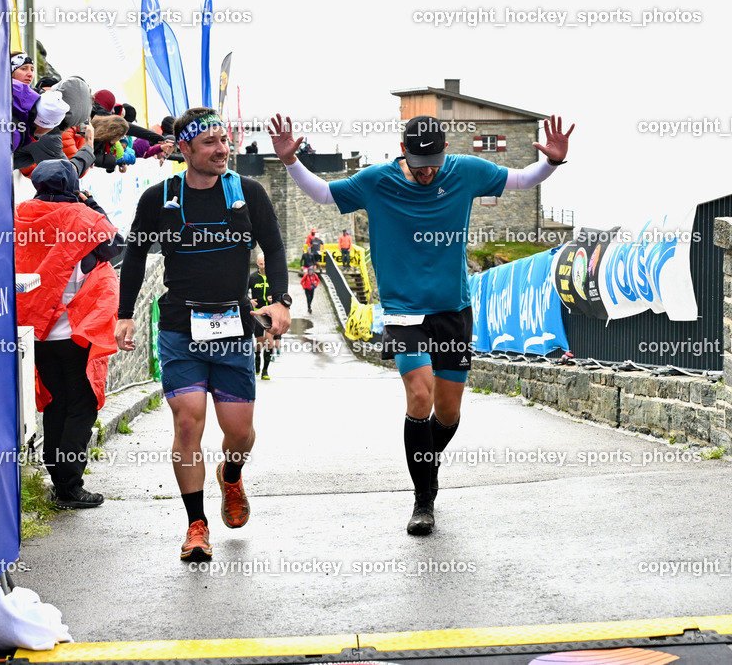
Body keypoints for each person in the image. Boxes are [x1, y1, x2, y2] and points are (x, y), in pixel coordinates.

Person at [270, 111, 573, 535]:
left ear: (446, 151)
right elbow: (322, 193)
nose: (427, 172)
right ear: (402, 152)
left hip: (452, 308)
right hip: (403, 310)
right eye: (418, 164)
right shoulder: (377, 181)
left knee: (448, 414)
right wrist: (290, 161)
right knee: (419, 394)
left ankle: (426, 462)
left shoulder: (465, 172)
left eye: (433, 164)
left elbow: (521, 180)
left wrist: (552, 163)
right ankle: (423, 500)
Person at [116, 106, 290, 561]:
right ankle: (196, 525)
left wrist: (281, 301)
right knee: (188, 421)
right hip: (179, 325)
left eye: (224, 140)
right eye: (210, 142)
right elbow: (134, 257)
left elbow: (272, 246)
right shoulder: (160, 198)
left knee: (240, 433)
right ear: (185, 149)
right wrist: (125, 313)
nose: (222, 149)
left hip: (233, 326)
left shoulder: (247, 193)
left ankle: (230, 476)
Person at [15, 160, 123, 508]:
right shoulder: (82, 219)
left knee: (56, 404)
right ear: (72, 185)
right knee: (81, 407)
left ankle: (59, 479)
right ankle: (69, 487)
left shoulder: (20, 215)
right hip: (75, 333)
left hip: (36, 332)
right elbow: (115, 245)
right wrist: (89, 203)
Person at [248, 254, 279, 380]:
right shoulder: (253, 277)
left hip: (271, 313)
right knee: (260, 342)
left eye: (265, 264)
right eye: (261, 264)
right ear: (257, 263)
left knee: (269, 341)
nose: (264, 267)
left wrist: (276, 299)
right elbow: (243, 291)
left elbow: (283, 294)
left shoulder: (274, 277)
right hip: (258, 313)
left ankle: (265, 370)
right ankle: (257, 361)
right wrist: (249, 300)